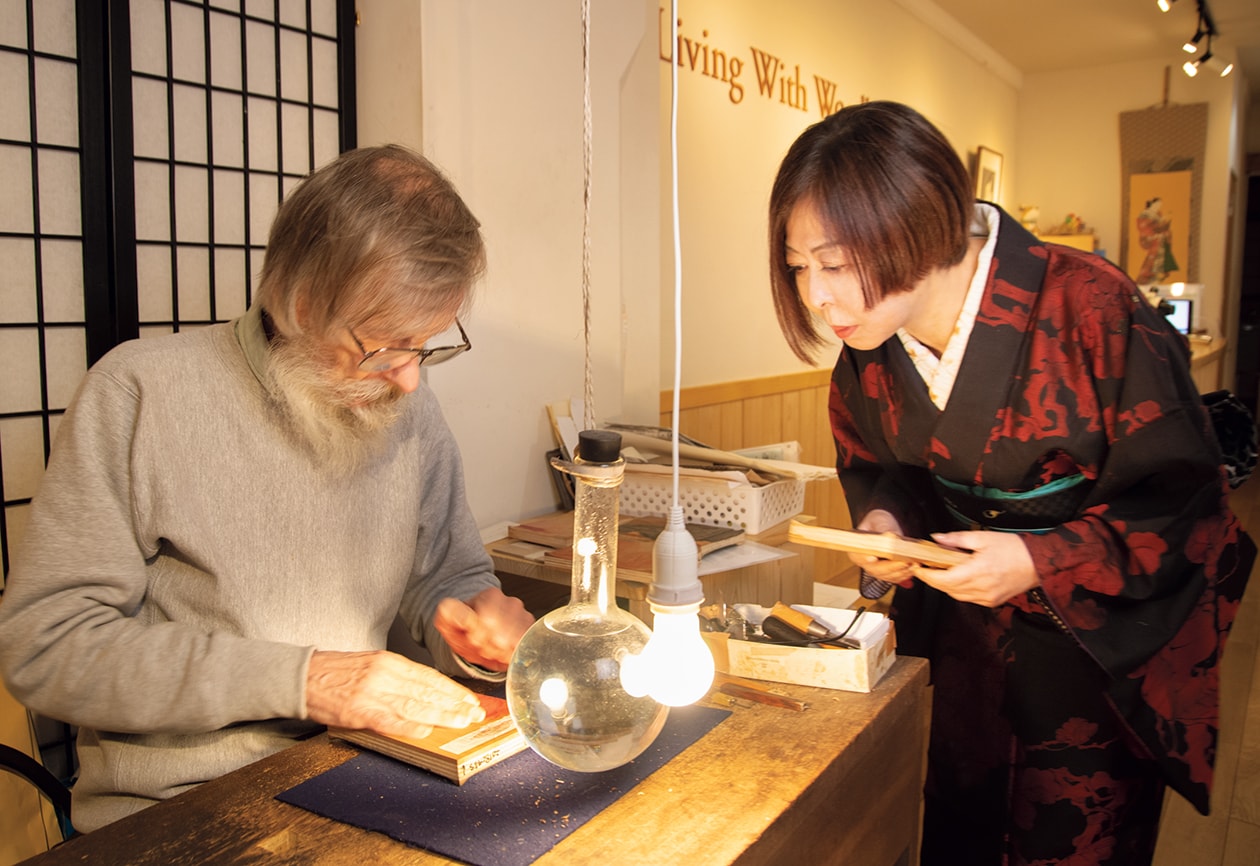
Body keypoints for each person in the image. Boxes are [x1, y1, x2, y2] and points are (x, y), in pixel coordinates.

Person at [767, 101, 1253, 864]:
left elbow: (1182, 499)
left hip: (1087, 648)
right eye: (800, 267)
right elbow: (882, 466)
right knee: (957, 826)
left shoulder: (1092, 305)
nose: (816, 297)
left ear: (917, 222)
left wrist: (1038, 559)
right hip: (963, 639)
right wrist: (887, 524)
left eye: (832, 264)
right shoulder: (874, 343)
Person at [0, 145, 535, 833]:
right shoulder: (140, 393)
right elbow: (48, 647)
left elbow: (447, 577)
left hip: (367, 773)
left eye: (426, 344)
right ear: (300, 304)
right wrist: (305, 681)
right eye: (386, 346)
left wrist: (474, 628)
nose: (409, 380)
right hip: (182, 808)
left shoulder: (406, 407)